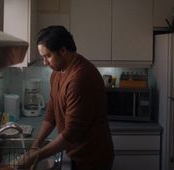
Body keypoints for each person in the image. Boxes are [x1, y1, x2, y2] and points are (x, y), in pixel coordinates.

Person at [19, 25, 114, 170]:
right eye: (43, 57)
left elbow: (72, 133)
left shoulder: (81, 78)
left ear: (63, 50)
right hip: (76, 153)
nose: (45, 63)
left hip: (92, 159)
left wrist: (36, 156)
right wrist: (35, 145)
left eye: (48, 56)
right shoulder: (58, 72)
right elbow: (51, 112)